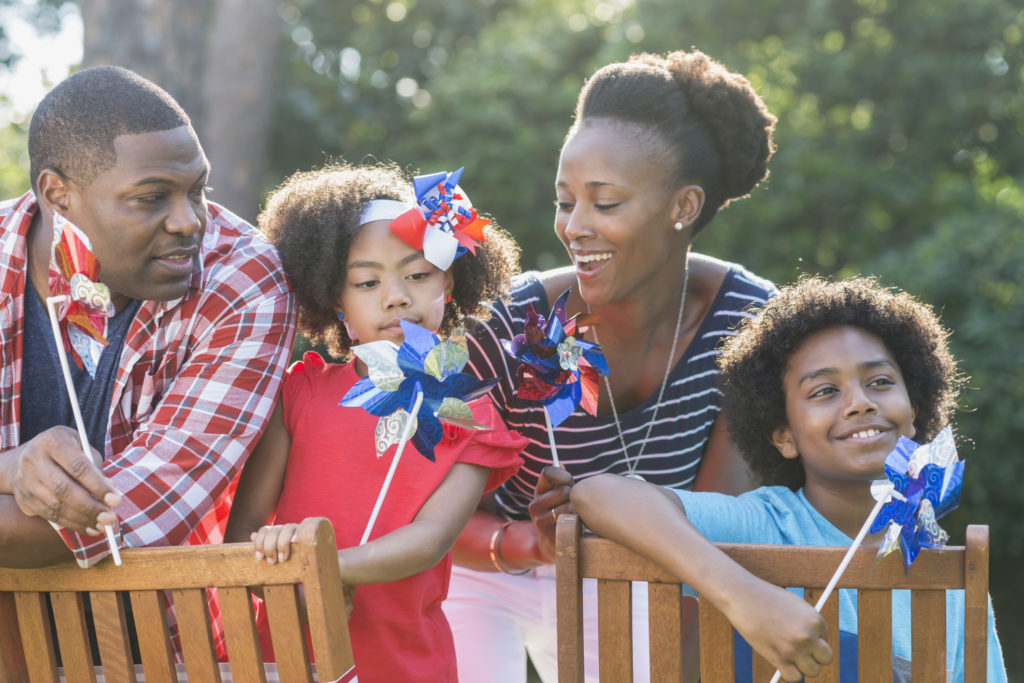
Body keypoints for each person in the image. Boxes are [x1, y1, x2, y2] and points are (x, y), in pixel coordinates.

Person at [444, 49, 778, 681]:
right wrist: (527, 545)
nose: (574, 227)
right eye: (566, 200)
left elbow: (714, 527)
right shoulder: (512, 321)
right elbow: (419, 506)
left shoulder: (750, 325)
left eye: (606, 203)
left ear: (683, 207)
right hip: (489, 567)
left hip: (644, 574)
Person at [572, 276, 1008, 682]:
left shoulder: (947, 573)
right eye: (824, 391)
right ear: (783, 435)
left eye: (879, 382)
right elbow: (598, 494)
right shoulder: (766, 525)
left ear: (913, 412)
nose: (859, 403)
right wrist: (743, 597)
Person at [224, 162, 528, 682]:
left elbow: (430, 539)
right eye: (366, 282)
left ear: (449, 284)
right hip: (284, 664)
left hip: (405, 668)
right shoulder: (299, 393)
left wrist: (325, 568)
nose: (395, 296)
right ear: (333, 299)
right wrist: (273, 566)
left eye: (417, 274)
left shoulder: (471, 412)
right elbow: (243, 533)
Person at [0, 66, 295, 569]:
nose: (189, 221)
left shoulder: (243, 280)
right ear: (58, 195)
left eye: (198, 189)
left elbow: (133, 517)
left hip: (155, 634)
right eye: (151, 198)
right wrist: (8, 470)